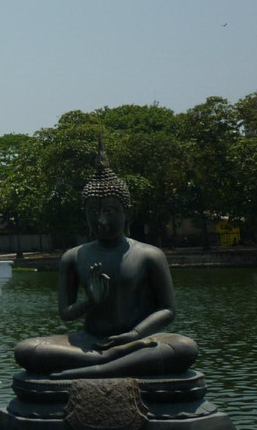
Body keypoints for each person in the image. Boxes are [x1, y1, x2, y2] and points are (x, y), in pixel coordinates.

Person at [13, 140, 197, 379]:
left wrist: (134, 334)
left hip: (137, 339)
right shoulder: (74, 256)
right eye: (93, 213)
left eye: (109, 212)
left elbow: (168, 309)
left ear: (126, 212)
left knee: (184, 347)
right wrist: (91, 300)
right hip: (91, 341)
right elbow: (66, 313)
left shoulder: (150, 255)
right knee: (27, 350)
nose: (101, 221)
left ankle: (100, 366)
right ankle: (112, 361)